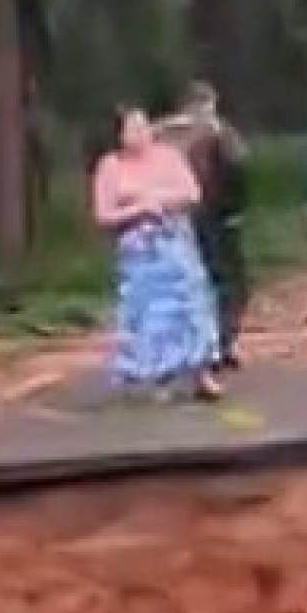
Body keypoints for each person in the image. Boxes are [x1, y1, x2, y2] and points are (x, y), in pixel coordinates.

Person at [90, 107, 222, 401]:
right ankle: (160, 374)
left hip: (175, 242)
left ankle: (201, 371)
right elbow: (103, 214)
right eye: (133, 128)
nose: (142, 134)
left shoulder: (168, 157)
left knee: (191, 304)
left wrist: (163, 200)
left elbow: (192, 193)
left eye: (144, 126)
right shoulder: (110, 166)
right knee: (152, 314)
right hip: (139, 251)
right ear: (119, 136)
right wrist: (138, 209)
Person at [160, 80, 251, 371]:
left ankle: (181, 346)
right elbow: (238, 167)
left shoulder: (161, 134)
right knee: (229, 282)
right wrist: (236, 208)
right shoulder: (219, 133)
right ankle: (221, 343)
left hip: (169, 219)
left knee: (182, 284)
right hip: (215, 215)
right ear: (208, 103)